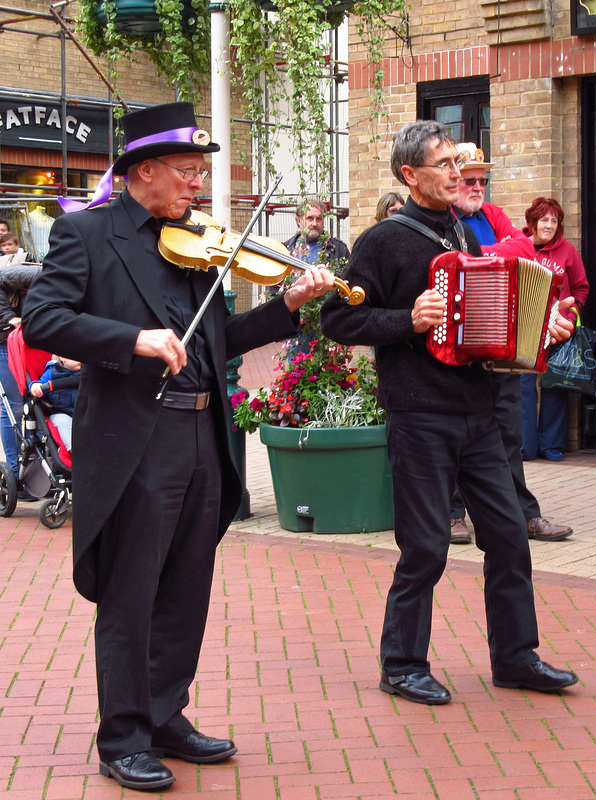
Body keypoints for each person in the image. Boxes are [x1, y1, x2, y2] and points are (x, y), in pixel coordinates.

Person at [22, 102, 336, 792]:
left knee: (186, 586)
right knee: (131, 592)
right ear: (144, 171)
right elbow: (41, 317)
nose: (199, 186)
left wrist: (287, 309)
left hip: (202, 431)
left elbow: (219, 339)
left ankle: (167, 716)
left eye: (200, 173)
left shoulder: (191, 241)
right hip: (136, 438)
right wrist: (130, 341)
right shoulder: (86, 235)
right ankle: (123, 736)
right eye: (189, 172)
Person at [321, 120, 579, 708]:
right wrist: (404, 320)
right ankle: (403, 664)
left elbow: (487, 319)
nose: (457, 172)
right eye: (443, 164)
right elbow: (337, 321)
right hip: (420, 415)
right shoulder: (381, 242)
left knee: (510, 537)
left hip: (480, 412)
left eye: (458, 162)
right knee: (426, 546)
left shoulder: (465, 233)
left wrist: (546, 331)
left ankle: (516, 658)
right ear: (410, 175)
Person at [448, 143, 573, 545]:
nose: (478, 186)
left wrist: (476, 255)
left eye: (483, 180)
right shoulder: (442, 217)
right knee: (455, 434)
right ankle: (453, 515)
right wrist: (489, 255)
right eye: (470, 179)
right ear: (452, 180)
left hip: (499, 346)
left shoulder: (492, 213)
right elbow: (446, 258)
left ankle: (523, 514)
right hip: (457, 345)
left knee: (508, 432)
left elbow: (523, 248)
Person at [520, 197, 590, 462]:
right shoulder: (520, 246)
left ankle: (551, 446)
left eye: (554, 220)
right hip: (527, 330)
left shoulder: (567, 251)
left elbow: (581, 287)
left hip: (559, 330)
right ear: (533, 222)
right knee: (523, 387)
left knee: (555, 386)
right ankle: (525, 446)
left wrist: (571, 316)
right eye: (544, 220)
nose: (549, 225)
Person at [0, 263, 41, 475]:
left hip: (32, 343)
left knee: (37, 404)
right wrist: (9, 317)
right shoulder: (36, 273)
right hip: (7, 342)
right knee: (13, 407)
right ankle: (15, 473)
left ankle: (35, 471)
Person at [30, 355, 81, 452]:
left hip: (81, 412)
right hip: (59, 412)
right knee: (64, 423)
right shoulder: (53, 372)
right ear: (62, 357)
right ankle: (73, 449)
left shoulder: (86, 373)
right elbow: (41, 385)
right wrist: (35, 385)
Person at [283, 196, 350, 265]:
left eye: (318, 219)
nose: (314, 224)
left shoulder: (338, 249)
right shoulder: (285, 250)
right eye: (310, 218)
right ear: (299, 221)